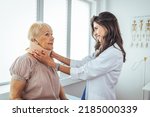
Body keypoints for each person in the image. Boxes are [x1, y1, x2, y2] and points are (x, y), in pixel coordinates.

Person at [32, 11, 126, 100]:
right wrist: (54, 55)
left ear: (107, 27)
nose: (95, 33)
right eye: (94, 29)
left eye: (96, 28)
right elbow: (81, 64)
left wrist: (53, 64)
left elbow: (84, 72)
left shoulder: (113, 53)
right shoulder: (102, 50)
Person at [9, 22, 67, 100]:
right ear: (34, 40)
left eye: (52, 34)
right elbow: (14, 97)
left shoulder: (49, 59)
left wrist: (65, 99)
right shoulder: (25, 61)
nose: (52, 38)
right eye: (47, 34)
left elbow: (56, 83)